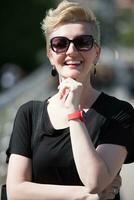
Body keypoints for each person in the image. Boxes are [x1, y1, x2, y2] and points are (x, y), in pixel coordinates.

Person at [6, 1, 134, 200]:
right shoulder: (29, 114)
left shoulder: (119, 113)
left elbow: (95, 181)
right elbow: (15, 191)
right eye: (60, 43)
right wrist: (85, 195)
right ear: (50, 55)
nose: (72, 51)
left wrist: (74, 112)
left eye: (83, 42)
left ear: (97, 53)